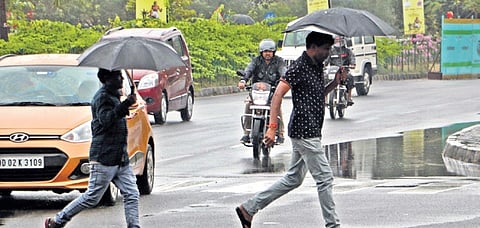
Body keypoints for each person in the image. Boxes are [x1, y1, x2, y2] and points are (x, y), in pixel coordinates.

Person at [235, 31, 345, 228]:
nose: (328, 53)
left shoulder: (316, 67)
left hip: (311, 130)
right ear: (313, 48)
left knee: (293, 179)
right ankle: (333, 225)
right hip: (304, 131)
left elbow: (318, 96)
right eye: (325, 49)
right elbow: (277, 95)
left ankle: (249, 208)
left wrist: (335, 83)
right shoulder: (299, 67)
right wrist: (272, 127)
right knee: (325, 179)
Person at [45, 68, 139, 228]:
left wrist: (125, 103)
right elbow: (106, 120)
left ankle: (134, 226)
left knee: (132, 194)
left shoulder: (114, 96)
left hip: (120, 158)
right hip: (104, 158)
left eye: (121, 76)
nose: (122, 80)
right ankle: (57, 221)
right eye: (118, 77)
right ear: (106, 79)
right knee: (92, 197)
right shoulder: (102, 98)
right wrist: (126, 104)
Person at [238, 38, 286, 144]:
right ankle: (246, 133)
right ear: (261, 52)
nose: (267, 54)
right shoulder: (256, 61)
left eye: (269, 51)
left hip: (273, 92)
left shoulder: (279, 61)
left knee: (277, 106)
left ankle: (280, 133)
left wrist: (285, 78)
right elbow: (249, 70)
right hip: (256, 92)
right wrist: (243, 80)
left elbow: (283, 71)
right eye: (265, 51)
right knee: (248, 105)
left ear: (273, 52)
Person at [325, 36, 356, 106]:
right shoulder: (330, 51)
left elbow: (352, 59)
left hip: (344, 71)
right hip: (333, 72)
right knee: (324, 78)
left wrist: (352, 64)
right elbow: (326, 61)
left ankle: (349, 97)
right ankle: (325, 98)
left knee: (350, 77)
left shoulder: (348, 51)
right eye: (336, 41)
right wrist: (323, 65)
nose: (338, 42)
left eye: (340, 41)